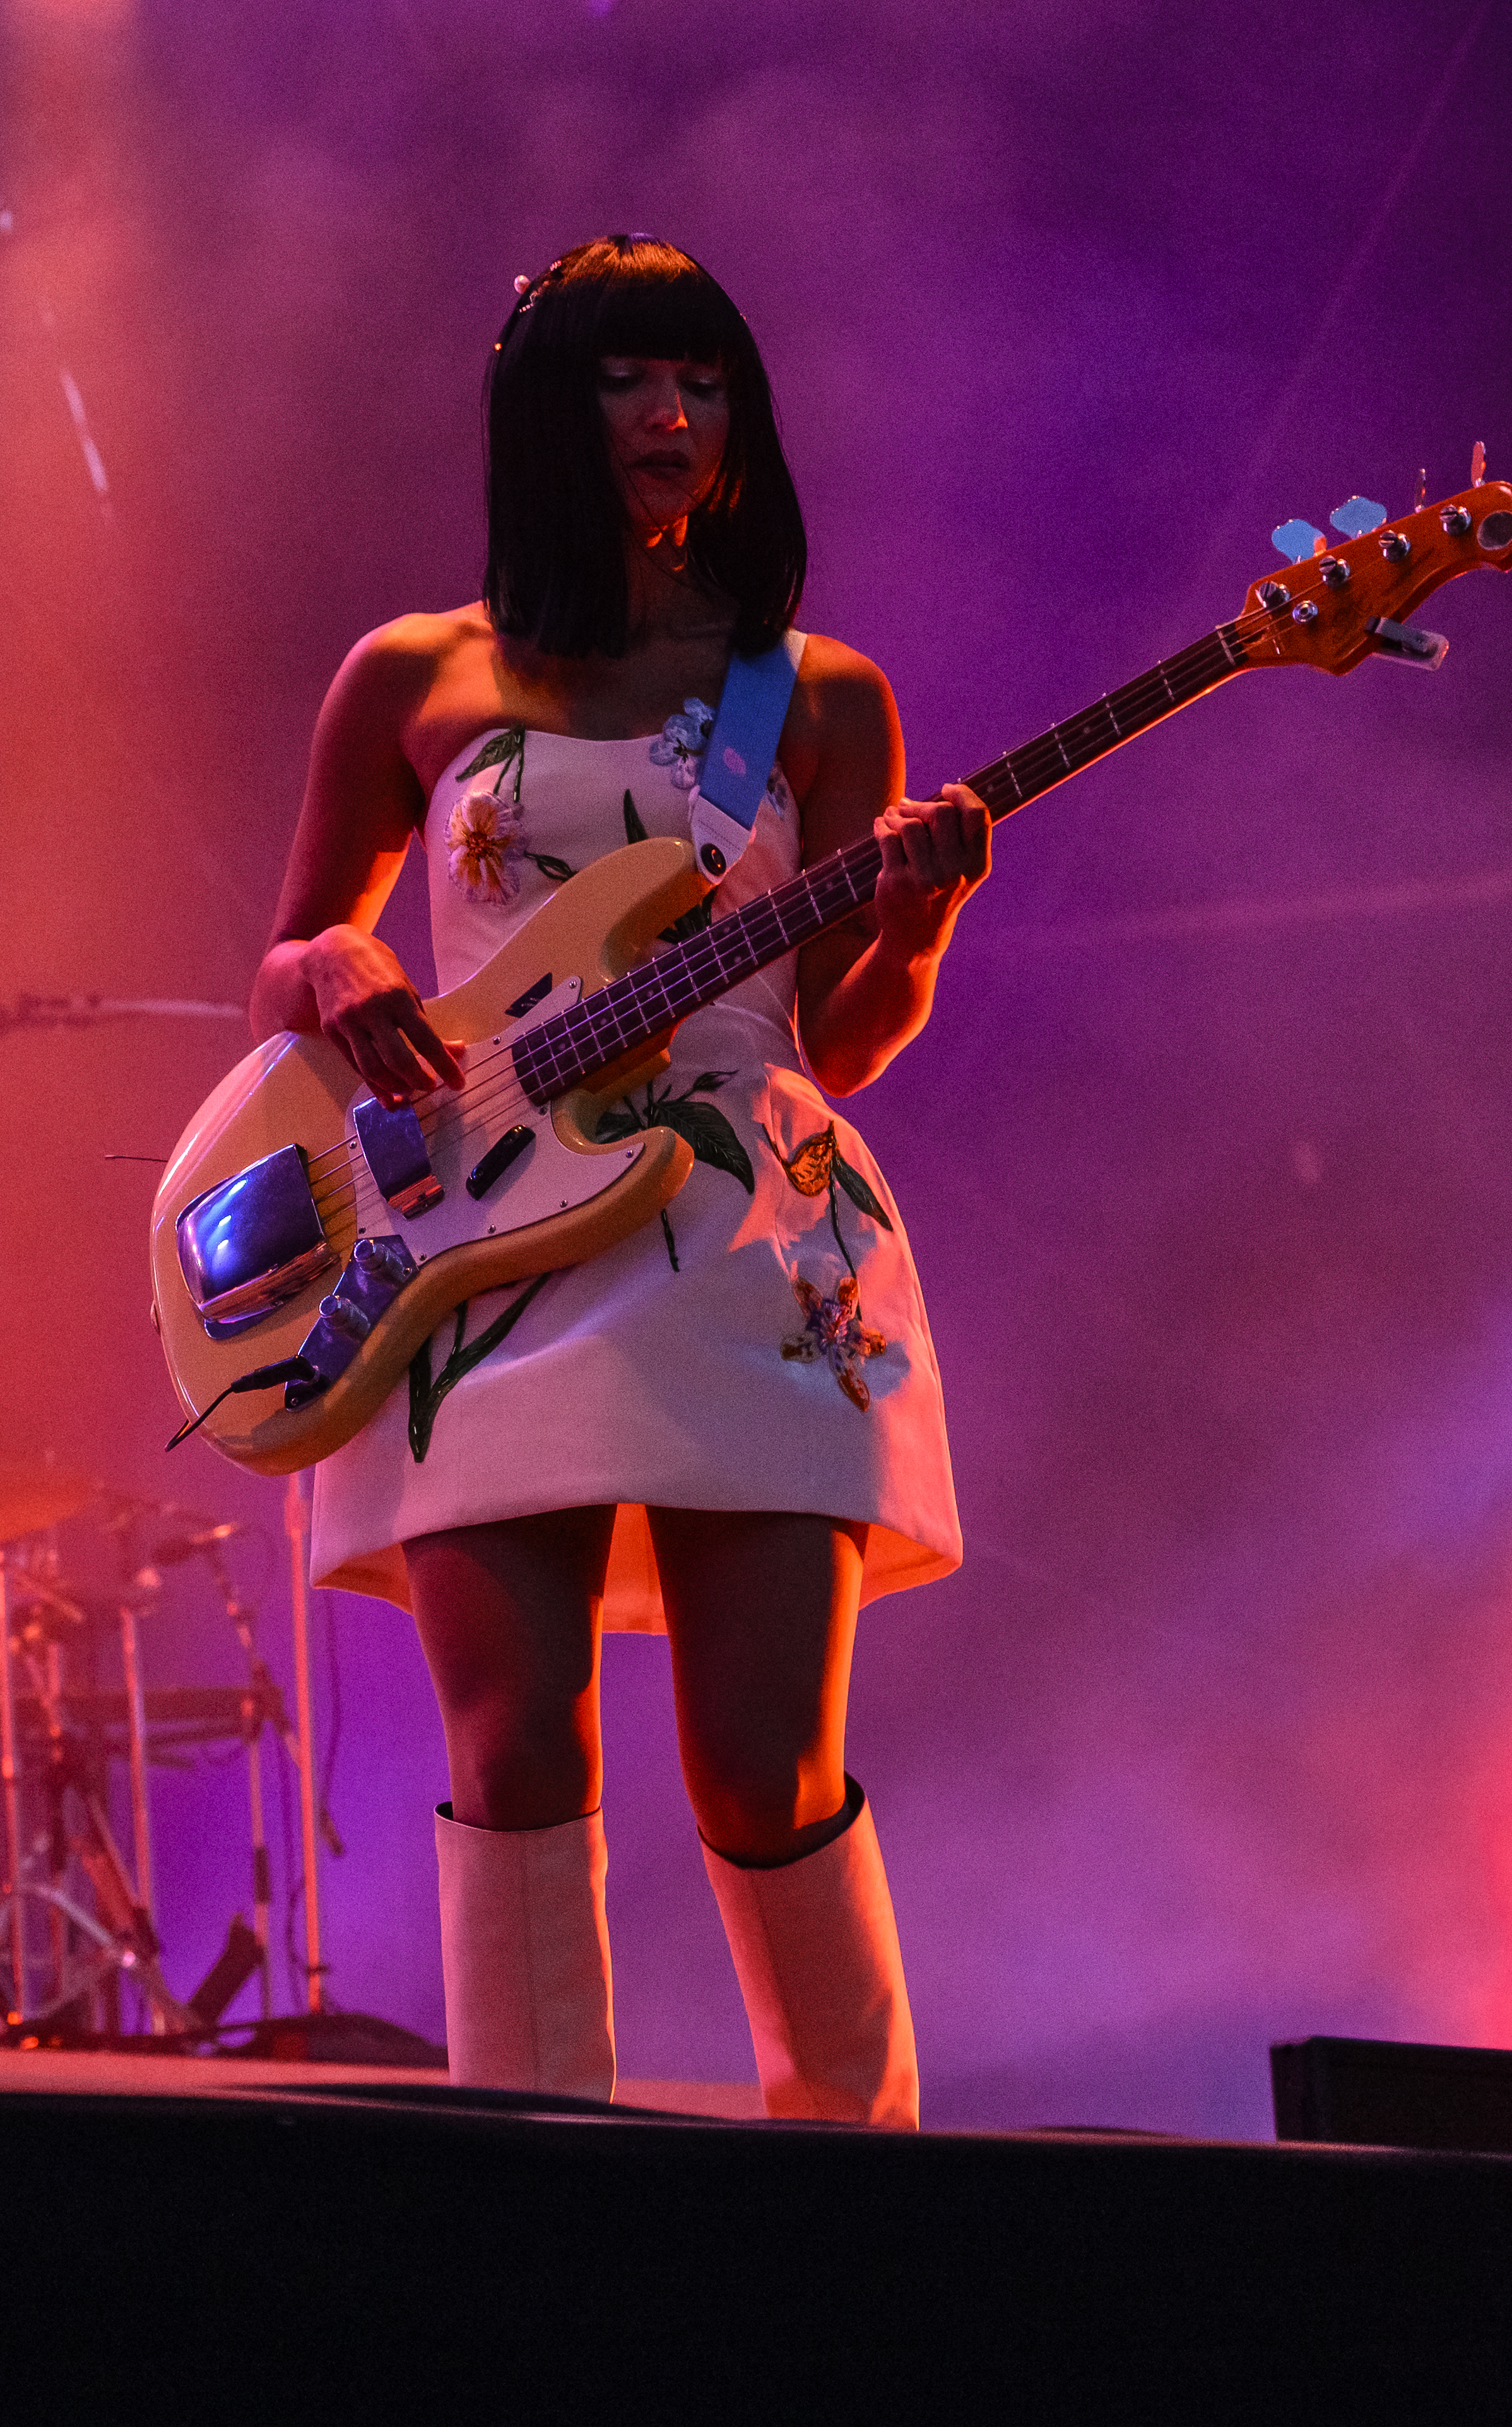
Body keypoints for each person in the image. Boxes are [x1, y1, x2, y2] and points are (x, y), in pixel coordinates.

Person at [248, 235, 988, 2118]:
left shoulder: (818, 695)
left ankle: (857, 2187)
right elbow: (291, 951)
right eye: (624, 379)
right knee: (515, 1748)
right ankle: (537, 2216)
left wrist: (922, 919)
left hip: (745, 1229)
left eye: (705, 380)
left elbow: (840, 1031)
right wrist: (335, 962)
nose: (670, 415)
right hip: (478, 1236)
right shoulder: (415, 669)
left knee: (763, 1761)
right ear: (541, 412)